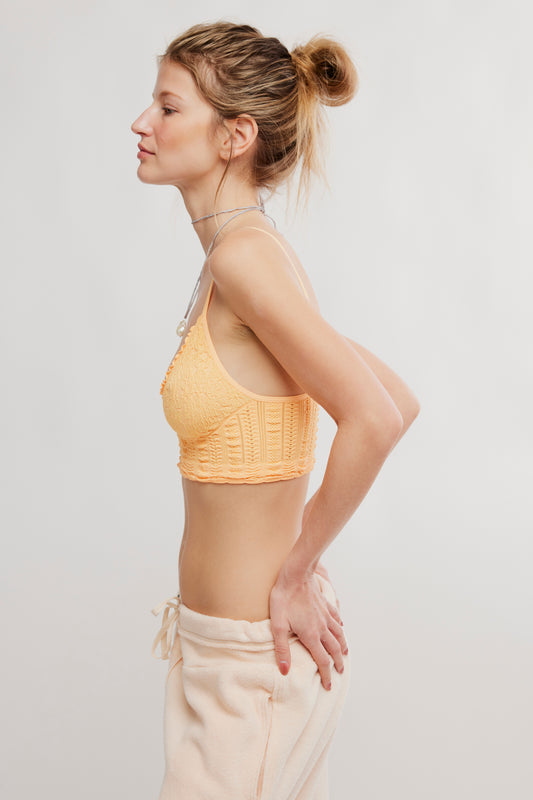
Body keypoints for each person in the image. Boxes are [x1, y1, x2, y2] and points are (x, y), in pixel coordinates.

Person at [131, 20, 420, 800]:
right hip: (224, 661)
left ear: (235, 135)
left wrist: (295, 572)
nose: (141, 124)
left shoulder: (244, 258)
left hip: (254, 667)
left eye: (167, 108)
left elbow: (378, 415)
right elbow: (392, 394)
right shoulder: (247, 257)